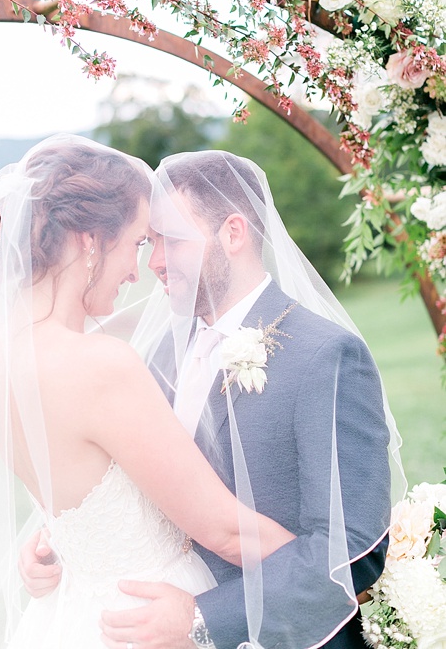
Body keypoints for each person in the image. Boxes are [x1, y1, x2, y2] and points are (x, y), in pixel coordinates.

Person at [21, 150, 405, 649]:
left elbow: (353, 548)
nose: (155, 261)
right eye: (149, 241)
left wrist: (204, 617)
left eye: (172, 240)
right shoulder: (154, 355)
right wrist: (57, 547)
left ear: (234, 233)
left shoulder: (326, 356)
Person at [0, 137, 295, 649]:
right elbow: (224, 531)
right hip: (151, 621)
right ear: (91, 241)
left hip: (74, 619)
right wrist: (350, 579)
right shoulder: (98, 362)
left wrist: (51, 551)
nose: (139, 270)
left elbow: (75, 502)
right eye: (136, 242)